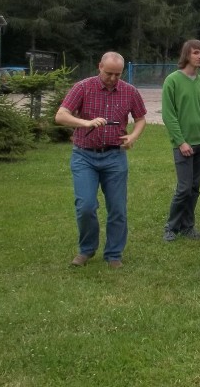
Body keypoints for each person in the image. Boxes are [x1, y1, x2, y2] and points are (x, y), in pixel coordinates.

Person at [55, 52, 147, 268]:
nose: (113, 78)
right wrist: (85, 123)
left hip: (115, 156)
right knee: (85, 205)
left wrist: (133, 136)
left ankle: (114, 254)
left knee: (117, 208)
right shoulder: (83, 87)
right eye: (109, 73)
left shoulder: (129, 91)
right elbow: (60, 115)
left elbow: (141, 118)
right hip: (84, 156)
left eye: (117, 74)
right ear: (99, 67)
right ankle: (86, 250)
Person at [161, 39, 200, 242]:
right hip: (184, 145)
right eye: (196, 53)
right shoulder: (173, 80)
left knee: (194, 188)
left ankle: (188, 226)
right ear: (186, 55)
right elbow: (169, 115)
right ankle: (171, 226)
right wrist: (181, 142)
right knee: (184, 188)